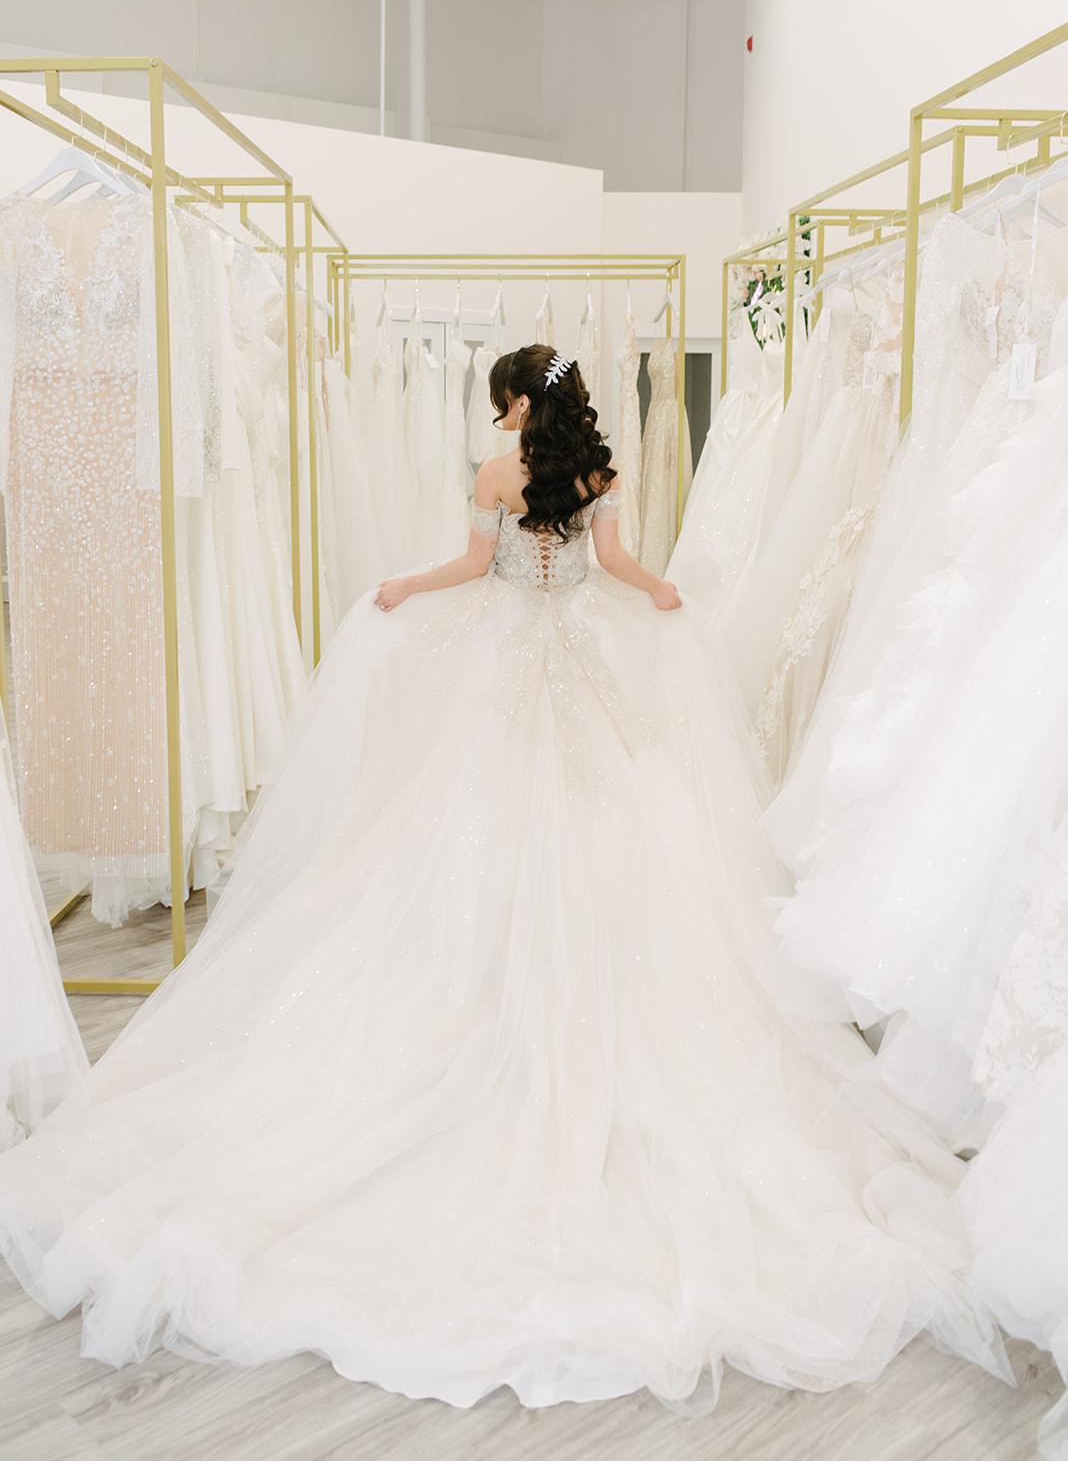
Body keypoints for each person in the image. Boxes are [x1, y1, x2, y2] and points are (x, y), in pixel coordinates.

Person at [0, 345, 1006, 1410]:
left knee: (475, 824)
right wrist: (665, 589)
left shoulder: (495, 478)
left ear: (520, 403)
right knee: (605, 814)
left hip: (505, 665)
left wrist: (396, 588)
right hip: (581, 658)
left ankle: (486, 985)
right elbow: (615, 571)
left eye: (503, 401)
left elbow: (469, 573)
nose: (500, 417)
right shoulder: (594, 478)